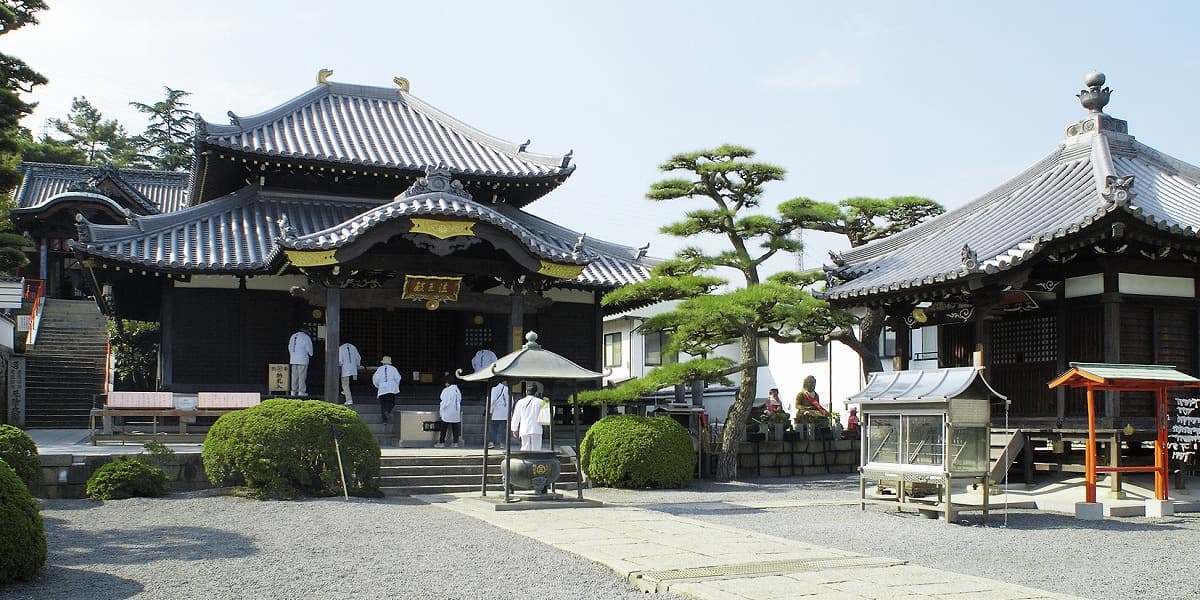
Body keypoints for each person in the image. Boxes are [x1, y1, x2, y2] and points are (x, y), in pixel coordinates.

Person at [510, 381, 545, 451]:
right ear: (536, 393)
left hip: (524, 428)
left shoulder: (520, 402)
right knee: (536, 449)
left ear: (526, 392)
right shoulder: (541, 402)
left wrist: (514, 428)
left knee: (525, 448)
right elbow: (547, 414)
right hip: (536, 428)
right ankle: (535, 461)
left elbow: (516, 416)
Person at [371, 356, 401, 425]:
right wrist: (395, 385)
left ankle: (384, 421)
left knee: (383, 405)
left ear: (383, 363)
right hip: (391, 389)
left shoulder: (379, 369)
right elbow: (398, 378)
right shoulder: (394, 369)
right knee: (392, 402)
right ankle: (388, 411)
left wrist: (378, 386)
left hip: (382, 389)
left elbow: (375, 379)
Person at [436, 377, 463, 448]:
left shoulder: (446, 390)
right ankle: (455, 443)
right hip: (456, 412)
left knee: (444, 428)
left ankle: (441, 443)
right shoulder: (457, 390)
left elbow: (444, 401)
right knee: (455, 428)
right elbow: (460, 399)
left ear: (447, 383)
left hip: (447, 412)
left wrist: (441, 410)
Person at [287, 329, 313, 396]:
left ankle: (293, 391)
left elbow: (289, 347)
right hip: (302, 359)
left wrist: (292, 355)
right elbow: (310, 351)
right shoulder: (306, 337)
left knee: (294, 376)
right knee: (302, 376)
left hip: (293, 359)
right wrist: (310, 353)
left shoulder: (293, 336)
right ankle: (301, 391)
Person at [488, 381, 510, 449]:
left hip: (496, 411)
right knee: (503, 429)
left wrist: (490, 409)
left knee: (493, 428)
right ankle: (502, 444)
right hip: (504, 412)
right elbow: (511, 400)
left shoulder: (494, 388)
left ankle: (491, 442)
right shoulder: (507, 389)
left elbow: (492, 400)